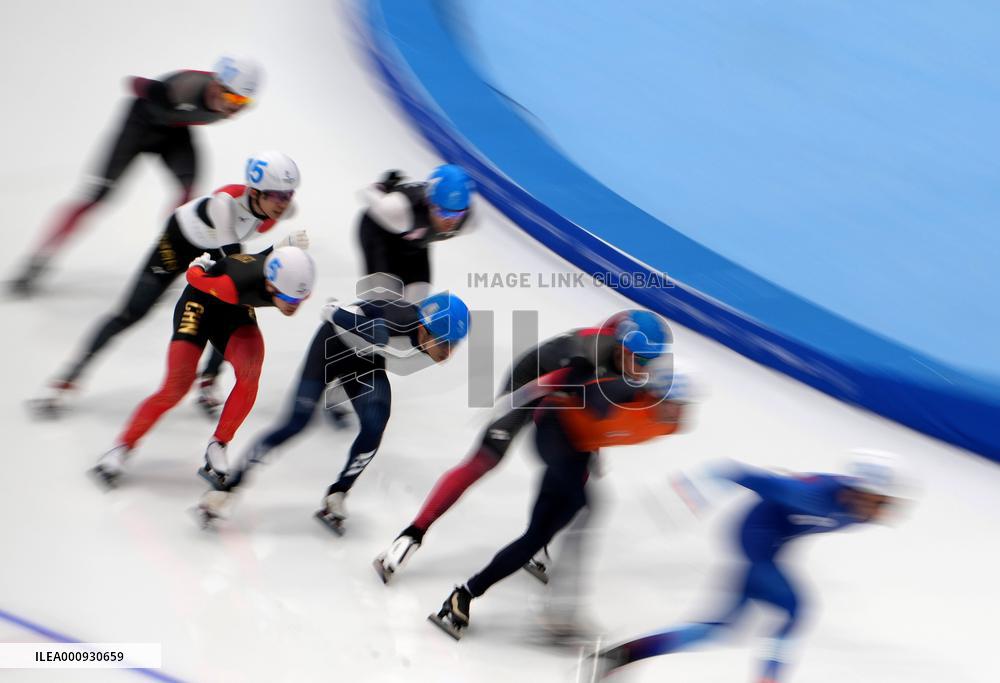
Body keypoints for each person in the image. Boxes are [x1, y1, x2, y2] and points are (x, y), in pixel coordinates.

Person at [427, 325, 688, 640]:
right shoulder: (619, 390)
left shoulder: (670, 424)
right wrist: (512, 401)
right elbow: (561, 382)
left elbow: (606, 427)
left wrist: (594, 452)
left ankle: (464, 595)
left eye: (682, 407)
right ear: (657, 394)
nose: (676, 413)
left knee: (537, 535)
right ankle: (561, 612)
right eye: (672, 404)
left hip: (576, 449)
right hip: (552, 432)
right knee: (584, 505)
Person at [373, 310, 672, 585]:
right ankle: (412, 535)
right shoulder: (588, 352)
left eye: (649, 363)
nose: (643, 370)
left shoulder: (621, 358)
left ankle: (537, 539)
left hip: (566, 396)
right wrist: (506, 406)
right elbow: (550, 386)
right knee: (485, 460)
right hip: (531, 381)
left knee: (573, 474)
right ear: (622, 347)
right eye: (640, 360)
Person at [29, 151, 305, 417]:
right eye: (278, 196)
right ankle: (66, 379)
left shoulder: (277, 208)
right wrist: (277, 249)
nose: (284, 203)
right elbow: (234, 264)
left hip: (213, 249)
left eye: (289, 195)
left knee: (235, 304)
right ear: (255, 192)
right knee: (131, 313)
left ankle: (208, 379)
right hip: (177, 246)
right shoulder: (224, 205)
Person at [594, 451, 905, 682]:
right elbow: (737, 473)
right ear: (861, 491)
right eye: (881, 501)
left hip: (770, 545)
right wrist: (690, 491)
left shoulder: (858, 512)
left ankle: (625, 653)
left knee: (718, 629)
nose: (886, 510)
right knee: (794, 609)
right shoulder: (812, 494)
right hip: (755, 540)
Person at [193, 290, 472, 531]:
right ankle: (227, 490)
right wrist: (339, 313)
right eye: (445, 343)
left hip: (365, 360)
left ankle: (337, 495)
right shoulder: (395, 322)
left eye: (454, 345)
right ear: (423, 328)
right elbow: (331, 312)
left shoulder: (422, 339)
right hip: (331, 348)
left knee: (375, 423)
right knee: (296, 422)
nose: (448, 353)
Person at [12, 56, 261, 294]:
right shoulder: (186, 87)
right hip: (138, 127)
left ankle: (166, 262)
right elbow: (133, 83)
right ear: (217, 86)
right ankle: (36, 261)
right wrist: (155, 91)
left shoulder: (220, 100)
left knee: (187, 199)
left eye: (244, 104)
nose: (235, 109)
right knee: (96, 196)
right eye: (233, 98)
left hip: (174, 133)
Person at [89, 246, 316, 488]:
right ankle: (121, 448)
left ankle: (218, 444)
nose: (295, 306)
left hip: (234, 311)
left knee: (250, 372)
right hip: (198, 305)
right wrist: (198, 265)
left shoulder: (281, 278)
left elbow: (266, 256)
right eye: (291, 299)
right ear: (271, 286)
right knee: (176, 387)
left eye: (302, 299)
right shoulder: (235, 283)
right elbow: (193, 277)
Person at [359, 164, 474, 302]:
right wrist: (382, 187)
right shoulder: (397, 208)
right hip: (378, 235)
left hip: (414, 245)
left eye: (457, 214)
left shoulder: (468, 220)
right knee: (382, 305)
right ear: (428, 202)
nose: (450, 221)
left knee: (415, 308)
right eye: (443, 212)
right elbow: (367, 192)